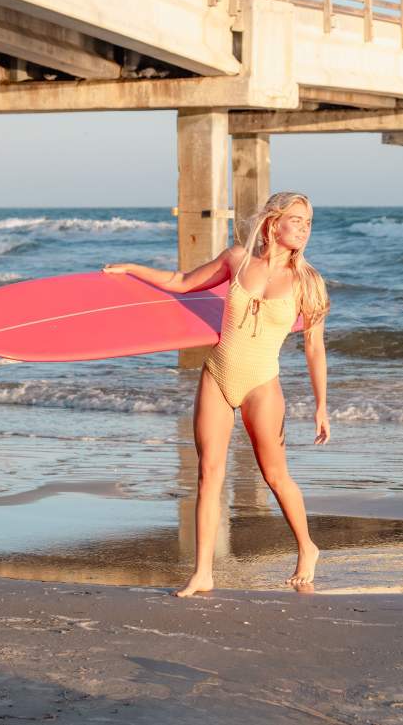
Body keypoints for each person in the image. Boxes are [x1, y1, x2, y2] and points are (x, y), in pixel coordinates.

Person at [103, 192, 330, 597]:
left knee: (275, 476)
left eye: (308, 222)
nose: (303, 227)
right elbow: (183, 282)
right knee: (209, 475)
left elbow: (314, 348)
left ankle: (307, 546)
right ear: (273, 221)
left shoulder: (307, 282)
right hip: (217, 375)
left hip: (263, 384)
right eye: (296, 219)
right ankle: (203, 572)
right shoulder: (236, 259)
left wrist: (321, 406)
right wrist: (132, 269)